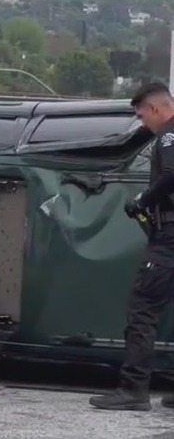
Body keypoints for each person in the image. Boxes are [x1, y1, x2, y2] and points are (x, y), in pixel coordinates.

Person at [90, 81, 174, 411]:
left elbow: (171, 174)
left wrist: (141, 199)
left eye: (142, 116)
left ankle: (133, 389)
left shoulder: (169, 135)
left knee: (143, 308)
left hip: (169, 240)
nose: (143, 124)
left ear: (155, 109)